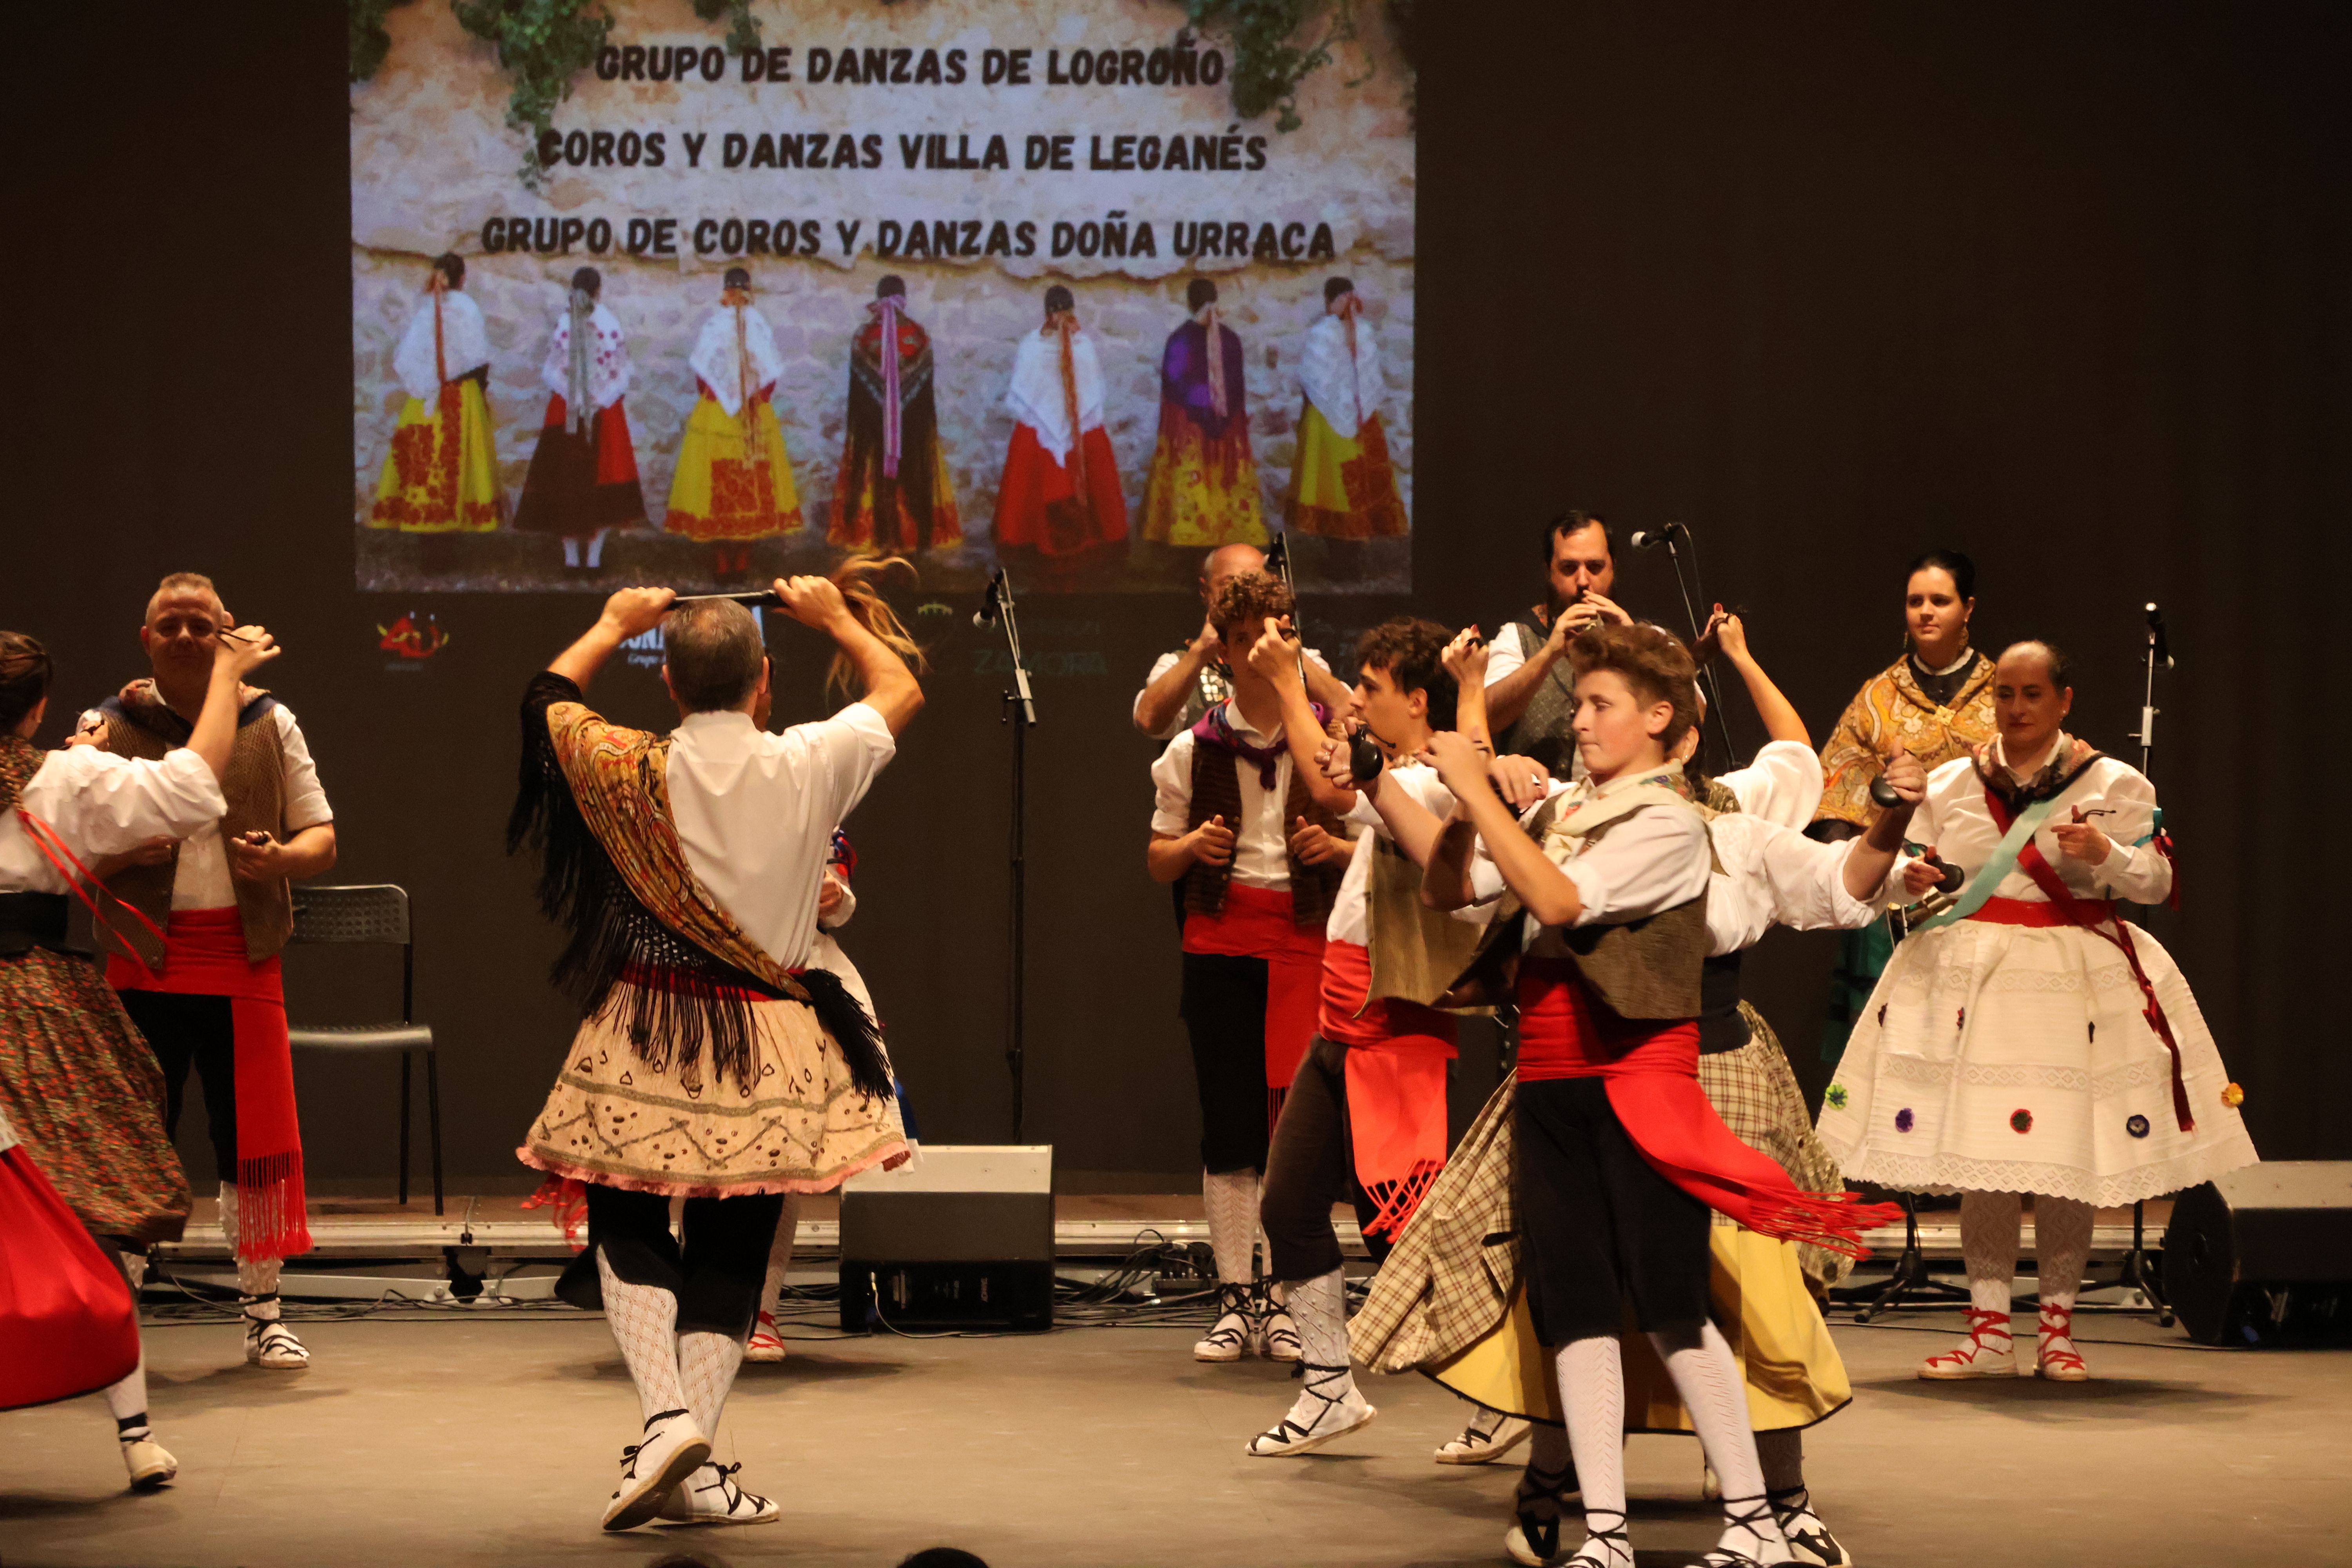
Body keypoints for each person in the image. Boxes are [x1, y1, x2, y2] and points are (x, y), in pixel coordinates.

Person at [1417, 623, 1894, 1568]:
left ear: (1666, 721)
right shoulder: (1565, 812)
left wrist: (1890, 827)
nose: (1579, 721)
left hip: (1649, 1078)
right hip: (1554, 1080)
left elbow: (1559, 903)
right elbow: (1453, 886)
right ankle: (1603, 1532)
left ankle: (1763, 1515)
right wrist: (1453, 797)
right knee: (1575, 1310)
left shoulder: (1686, 823)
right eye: (1582, 704)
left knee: (1687, 1303)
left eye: (1598, 705)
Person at [509, 572, 922, 1530]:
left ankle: (666, 1427)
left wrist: (613, 622)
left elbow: (544, 702)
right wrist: (840, 618)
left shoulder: (622, 762)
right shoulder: (811, 760)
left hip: (646, 1023)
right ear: (765, 680)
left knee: (628, 1221)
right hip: (768, 1035)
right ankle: (690, 1456)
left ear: (667, 684)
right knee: (736, 1248)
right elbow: (899, 689)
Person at [1818, 640, 2258, 1384]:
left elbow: (2157, 884)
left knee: (2065, 1165)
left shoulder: (2116, 782)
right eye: (2006, 696)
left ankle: (2057, 1332)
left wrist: (2106, 855)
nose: (2016, 710)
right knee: (1984, 1164)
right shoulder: (1955, 781)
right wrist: (1911, 876)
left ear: (2064, 700)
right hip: (1974, 986)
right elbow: (1896, 880)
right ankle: (1989, 1331)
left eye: (2031, 696)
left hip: (2071, 978)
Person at [0, 622, 278, 1488]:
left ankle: (135, 1430)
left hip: (30, 997)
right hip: (30, 1010)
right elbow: (193, 788)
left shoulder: (68, 772)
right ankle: (136, 1433)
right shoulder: (65, 775)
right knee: (92, 1208)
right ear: (38, 706)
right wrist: (229, 674)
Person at [1240, 615, 1484, 1457]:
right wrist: (1303, 671)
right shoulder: (1406, 774)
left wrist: (1283, 683)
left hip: (1395, 1038)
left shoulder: (1439, 784)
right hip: (1338, 1024)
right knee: (1288, 1205)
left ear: (1416, 701)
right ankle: (1328, 1385)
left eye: (1371, 688)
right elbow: (1353, 785)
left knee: (1407, 1234)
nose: (1356, 700)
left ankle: (1498, 1397)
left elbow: (1341, 786)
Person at [85, 574, 337, 1373]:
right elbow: (66, 848)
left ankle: (264, 1312)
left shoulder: (272, 721)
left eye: (202, 624)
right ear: (146, 636)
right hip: (142, 961)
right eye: (172, 625)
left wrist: (279, 860)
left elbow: (322, 838)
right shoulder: (107, 726)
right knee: (134, 1143)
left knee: (250, 1146)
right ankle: (114, 1312)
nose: (187, 637)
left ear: (225, 631)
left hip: (241, 959)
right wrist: (128, 854)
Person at [1147, 570, 1348, 1365]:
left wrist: (1330, 848)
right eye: (1253, 637)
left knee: (1293, 1132)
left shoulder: (1326, 738)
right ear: (1226, 652)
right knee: (1230, 1125)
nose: (1269, 649)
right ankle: (1237, 1295)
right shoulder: (1192, 749)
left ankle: (1288, 1294)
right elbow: (1157, 858)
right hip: (1223, 942)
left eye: (1283, 632)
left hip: (1306, 943)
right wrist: (1192, 848)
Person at [1810, 549, 1995, 1063]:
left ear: (1969, 607)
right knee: (1884, 1045)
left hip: (1983, 882)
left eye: (1941, 600)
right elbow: (1839, 779)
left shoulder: (2002, 693)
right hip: (1896, 882)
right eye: (1916, 602)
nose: (1926, 612)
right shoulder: (1879, 698)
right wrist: (1859, 862)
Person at [747, 827, 875, 1364]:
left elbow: (835, 898)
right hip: (711, 978)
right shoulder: (684, 791)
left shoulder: (808, 802)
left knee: (785, 1157)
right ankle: (707, 1305)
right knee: (698, 1155)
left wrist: (835, 896)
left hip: (797, 986)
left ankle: (762, 1313)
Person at [1131, 543, 1349, 742]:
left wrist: (1286, 648)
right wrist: (1202, 650)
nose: (1241, 594)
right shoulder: (1175, 664)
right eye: (1230, 584)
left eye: (1254, 582)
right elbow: (1148, 721)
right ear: (1205, 591)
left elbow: (1347, 711)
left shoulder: (1303, 659)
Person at [666, 267, 804, 581]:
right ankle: (741, 562)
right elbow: (770, 378)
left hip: (716, 417)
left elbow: (702, 379)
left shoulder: (714, 326)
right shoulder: (759, 326)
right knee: (750, 484)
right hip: (753, 418)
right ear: (750, 290)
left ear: (726, 291)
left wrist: (721, 395)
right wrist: (754, 399)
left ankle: (721, 563)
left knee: (716, 489)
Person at [1482, 511, 1636, 778]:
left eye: (1595, 567)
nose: (1583, 581)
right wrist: (1549, 653)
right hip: (1533, 807)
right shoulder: (1519, 636)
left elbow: (1690, 717)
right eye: (1569, 569)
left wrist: (1634, 643)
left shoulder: (1642, 636)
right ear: (1548, 572)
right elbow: (1488, 717)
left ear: (1613, 569)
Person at [514, 266, 646, 571]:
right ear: (599, 291)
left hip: (567, 410)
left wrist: (577, 397)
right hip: (605, 411)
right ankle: (595, 559)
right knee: (600, 478)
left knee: (566, 479)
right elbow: (620, 369)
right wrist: (599, 399)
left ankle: (572, 559)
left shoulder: (565, 321)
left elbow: (555, 369)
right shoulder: (609, 322)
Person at [368, 252, 506, 535]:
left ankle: (425, 531)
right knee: (461, 462)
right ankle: (452, 533)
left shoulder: (425, 310)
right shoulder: (468, 309)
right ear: (463, 279)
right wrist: (481, 391)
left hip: (425, 396)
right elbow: (478, 357)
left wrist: (425, 381)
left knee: (428, 460)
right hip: (463, 394)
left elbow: (409, 356)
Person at [995, 285, 1127, 561]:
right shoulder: (1045, 346)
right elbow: (1030, 386)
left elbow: (1086, 386)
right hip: (1056, 427)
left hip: (1062, 429)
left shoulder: (1063, 345)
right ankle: (1050, 538)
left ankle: (1040, 539)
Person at [830, 276, 961, 554]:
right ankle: (909, 550)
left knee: (877, 484)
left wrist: (874, 419)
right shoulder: (919, 336)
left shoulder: (863, 337)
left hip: (870, 431)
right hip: (912, 432)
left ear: (879, 297)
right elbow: (925, 390)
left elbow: (858, 388)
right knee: (912, 481)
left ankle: (879, 550)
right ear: (903, 298)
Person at [1140, 278, 1267, 550]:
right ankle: (1226, 549)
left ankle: (1192, 556)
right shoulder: (1231, 340)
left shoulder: (1179, 341)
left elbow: (1172, 387)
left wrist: (1197, 413)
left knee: (1194, 492)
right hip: (1226, 431)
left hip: (1190, 431)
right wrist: (1222, 418)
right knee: (1224, 488)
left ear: (1188, 303)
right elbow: (1237, 387)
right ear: (1216, 300)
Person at [1283, 277, 1407, 548]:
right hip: (1364, 423)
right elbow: (1370, 379)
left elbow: (1311, 380)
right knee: (1358, 481)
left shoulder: (1322, 333)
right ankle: (1355, 551)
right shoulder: (1364, 332)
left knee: (1331, 484)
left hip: (1324, 419)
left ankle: (1338, 553)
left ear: (1328, 301)